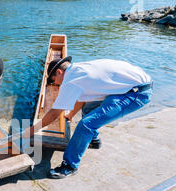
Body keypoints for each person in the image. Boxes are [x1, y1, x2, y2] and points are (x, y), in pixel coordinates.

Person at [23, 56, 153, 178]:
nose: (55, 84)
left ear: (59, 72)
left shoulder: (70, 80)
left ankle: (70, 166)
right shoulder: (79, 70)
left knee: (86, 124)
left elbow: (54, 113)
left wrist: (32, 130)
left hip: (136, 93)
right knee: (88, 108)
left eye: (53, 80)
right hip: (129, 87)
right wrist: (71, 115)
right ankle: (94, 140)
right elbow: (83, 99)